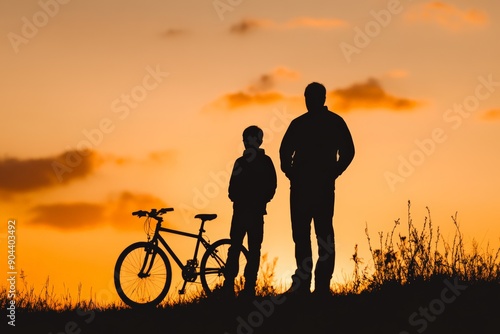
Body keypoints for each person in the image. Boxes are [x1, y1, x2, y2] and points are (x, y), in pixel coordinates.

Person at [279, 82, 355, 297]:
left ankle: (319, 286)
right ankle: (310, 286)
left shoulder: (325, 123)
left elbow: (348, 151)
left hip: (315, 187)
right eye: (307, 96)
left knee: (318, 236)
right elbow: (284, 152)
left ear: (321, 98)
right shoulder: (315, 123)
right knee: (308, 236)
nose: (308, 100)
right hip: (309, 187)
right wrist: (291, 172)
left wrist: (334, 172)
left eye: (311, 97)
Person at [223, 125, 277, 297]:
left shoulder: (245, 162)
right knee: (250, 249)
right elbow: (272, 186)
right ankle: (245, 288)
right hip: (252, 212)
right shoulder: (262, 162)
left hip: (243, 212)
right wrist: (261, 200)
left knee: (239, 248)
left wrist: (243, 200)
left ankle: (234, 286)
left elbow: (232, 189)